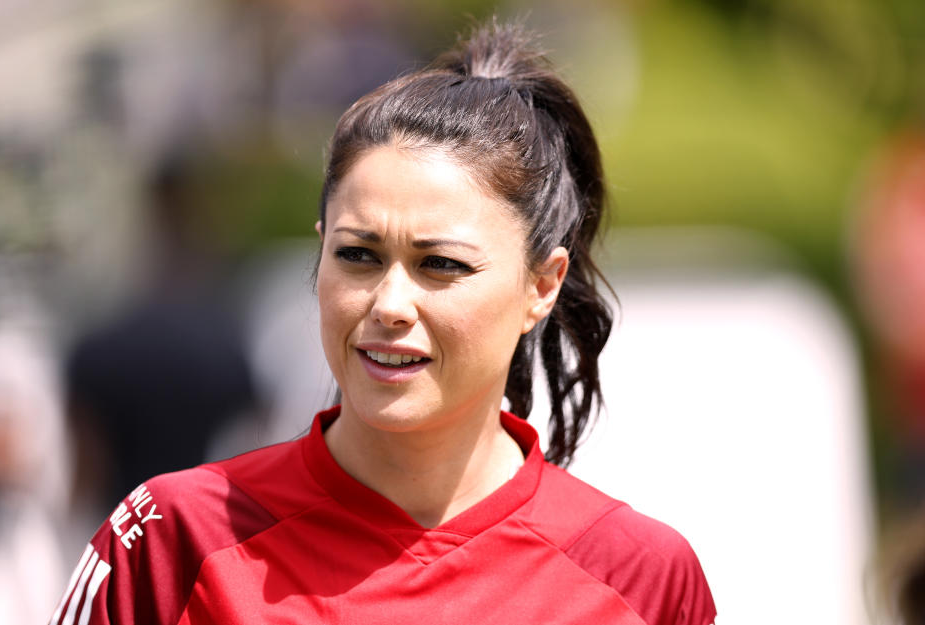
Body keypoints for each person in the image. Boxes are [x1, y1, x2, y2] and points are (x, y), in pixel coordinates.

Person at [49, 21, 716, 625]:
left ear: (542, 284)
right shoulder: (170, 540)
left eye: (442, 264)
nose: (389, 303)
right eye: (358, 255)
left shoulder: (643, 577)